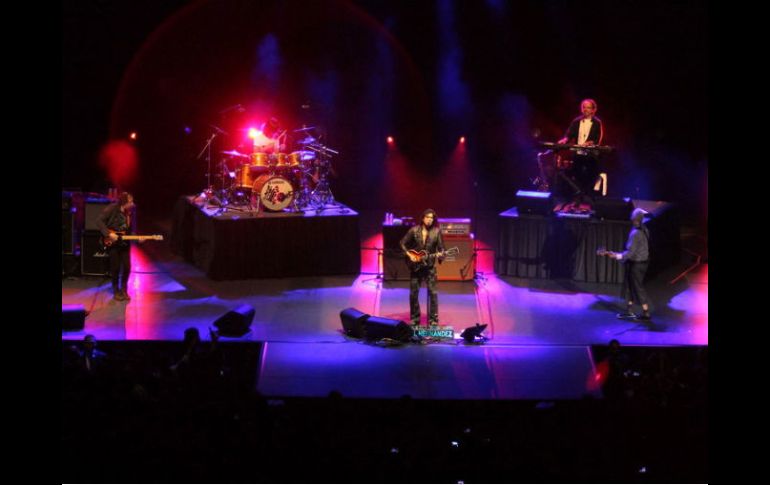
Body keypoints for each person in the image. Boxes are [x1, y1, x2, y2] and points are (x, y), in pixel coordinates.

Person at [399, 209, 446, 326]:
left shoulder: (436, 231)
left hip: (430, 267)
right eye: (428, 217)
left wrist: (441, 255)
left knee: (433, 294)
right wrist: (410, 255)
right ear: (423, 218)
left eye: (432, 218)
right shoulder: (414, 230)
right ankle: (415, 320)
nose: (430, 220)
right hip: (416, 267)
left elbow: (442, 249)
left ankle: (433, 321)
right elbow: (402, 243)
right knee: (413, 294)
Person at [557, 98, 604, 202]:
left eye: (588, 107)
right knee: (576, 174)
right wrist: (564, 140)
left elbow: (597, 139)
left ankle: (589, 197)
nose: (585, 109)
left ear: (593, 110)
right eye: (584, 107)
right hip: (578, 153)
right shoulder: (576, 121)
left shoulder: (597, 122)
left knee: (590, 174)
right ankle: (577, 196)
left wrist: (590, 143)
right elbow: (569, 134)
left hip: (590, 154)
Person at [96, 191, 136, 301]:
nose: (132, 203)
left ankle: (124, 289)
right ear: (124, 202)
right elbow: (99, 221)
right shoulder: (112, 208)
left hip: (124, 244)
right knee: (116, 267)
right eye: (130, 201)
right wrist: (109, 234)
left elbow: (131, 231)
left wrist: (138, 238)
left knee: (127, 267)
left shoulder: (130, 213)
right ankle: (116, 290)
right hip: (113, 244)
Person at [613, 208, 651, 321]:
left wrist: (618, 256)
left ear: (634, 220)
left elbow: (631, 252)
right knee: (630, 285)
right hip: (643, 262)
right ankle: (629, 309)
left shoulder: (635, 233)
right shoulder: (645, 229)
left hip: (637, 264)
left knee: (637, 287)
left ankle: (646, 312)